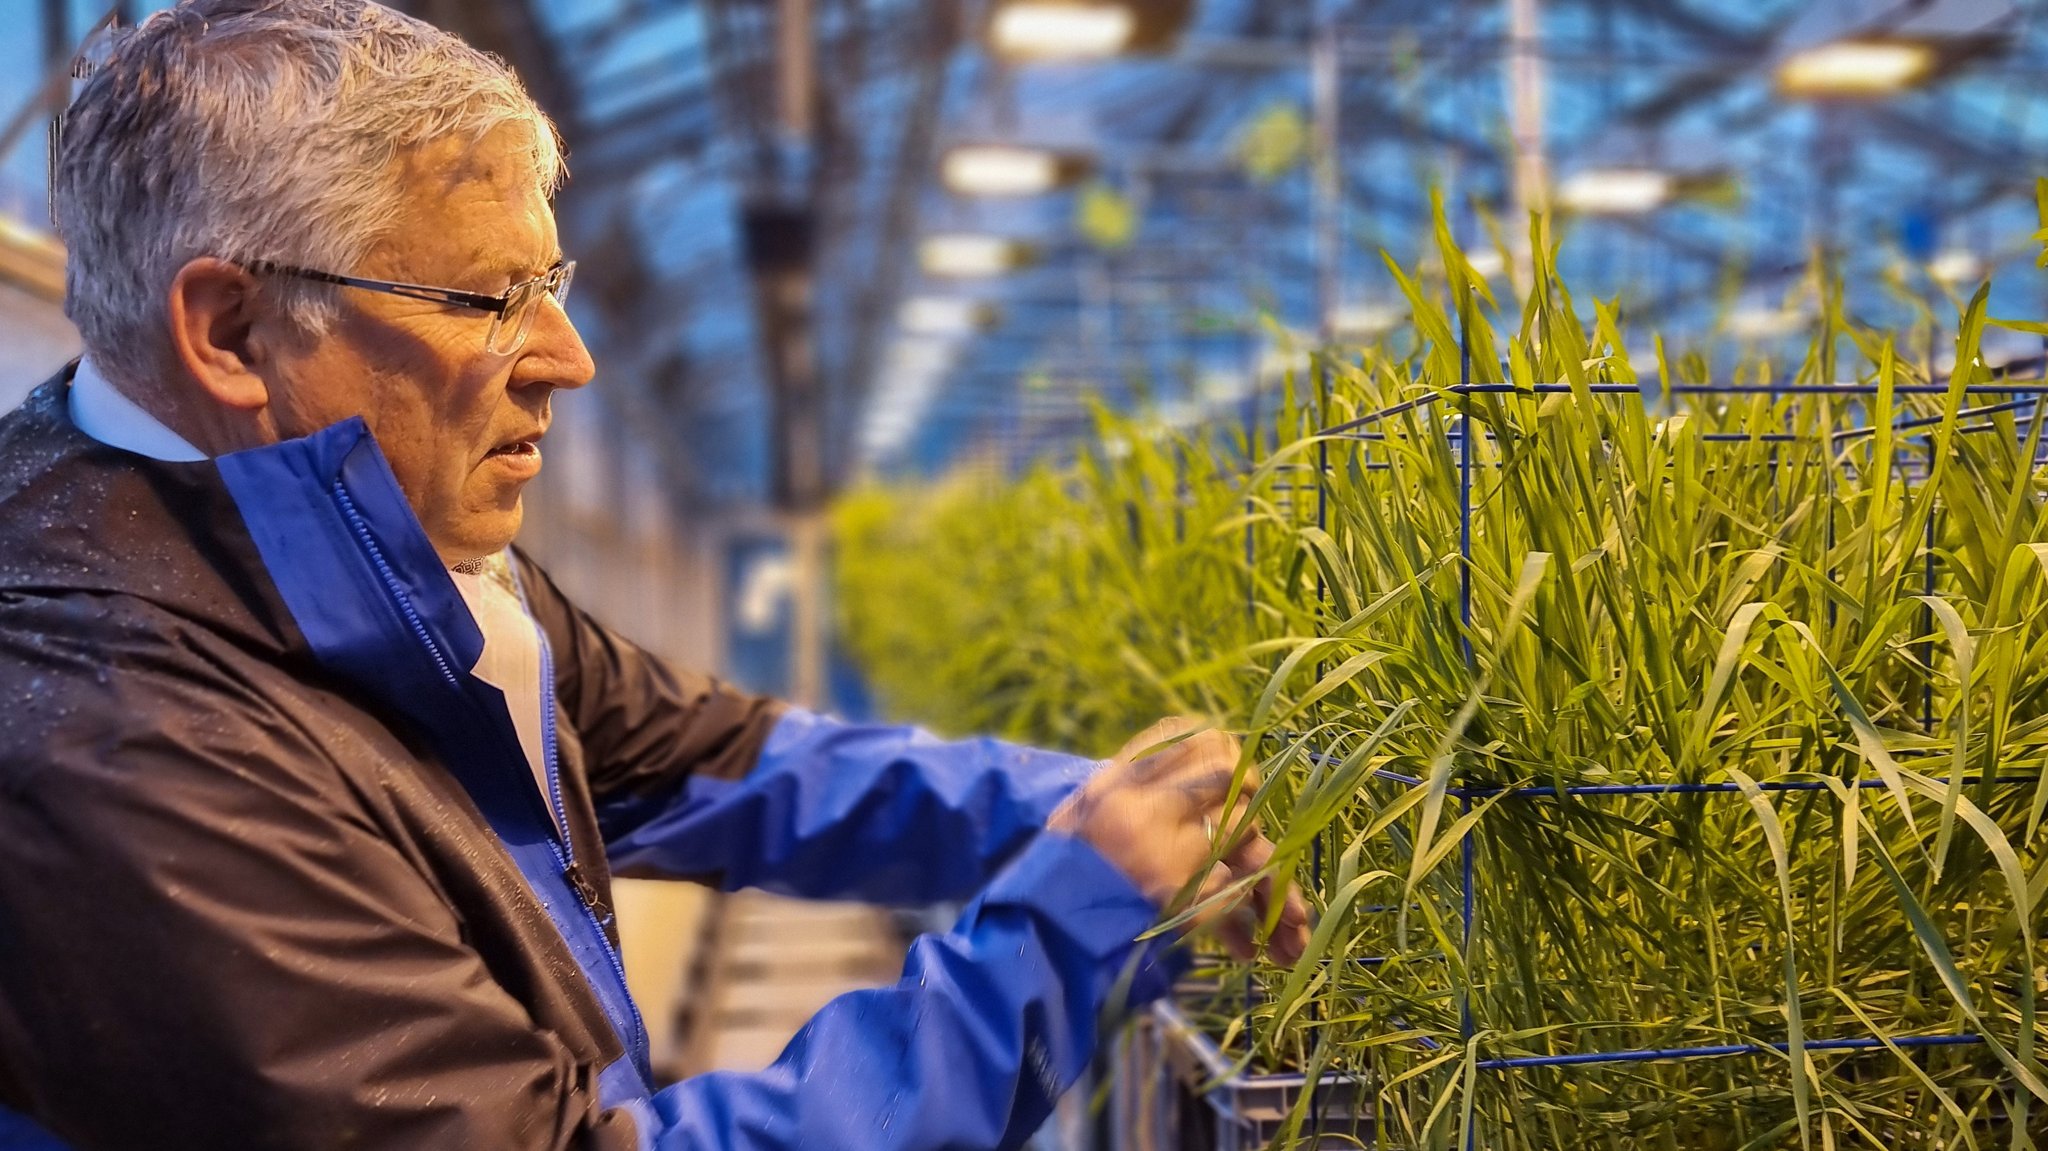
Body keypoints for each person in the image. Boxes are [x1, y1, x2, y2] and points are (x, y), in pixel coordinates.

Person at [0, 3, 1309, 1148]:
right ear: (233, 330)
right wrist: (1071, 924)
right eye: (486, 299)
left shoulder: (377, 556)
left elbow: (728, 764)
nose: (568, 357)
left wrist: (1102, 808)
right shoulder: (123, 756)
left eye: (551, 280)